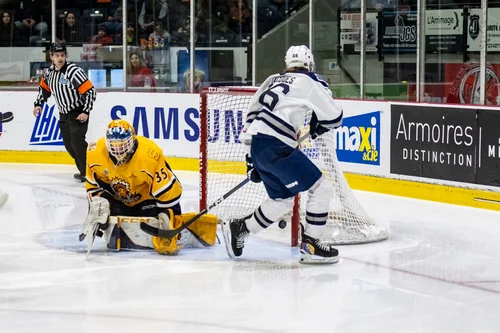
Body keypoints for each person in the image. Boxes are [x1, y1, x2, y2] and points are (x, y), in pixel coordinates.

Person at [221, 45, 343, 264]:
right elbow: (335, 117)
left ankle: (242, 228)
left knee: (282, 200)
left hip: (258, 145)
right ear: (309, 63)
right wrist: (320, 123)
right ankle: (312, 244)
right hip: (278, 146)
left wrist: (251, 161)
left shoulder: (271, 79)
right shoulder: (309, 80)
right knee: (321, 188)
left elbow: (251, 117)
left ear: (287, 64)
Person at [79, 119, 217, 255]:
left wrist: (171, 221)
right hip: (120, 201)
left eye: (122, 145)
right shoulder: (95, 152)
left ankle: (184, 228)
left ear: (132, 141)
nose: (118, 151)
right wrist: (99, 203)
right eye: (114, 146)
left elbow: (168, 194)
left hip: (147, 202)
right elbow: (94, 185)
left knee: (158, 222)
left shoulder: (149, 155)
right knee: (110, 220)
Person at [33, 42, 96, 182]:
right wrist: (38, 104)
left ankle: (90, 172)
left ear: (65, 55)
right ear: (51, 57)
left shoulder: (73, 71)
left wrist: (85, 111)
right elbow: (44, 90)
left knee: (77, 140)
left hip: (78, 111)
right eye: (56, 55)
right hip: (63, 113)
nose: (60, 58)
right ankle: (84, 169)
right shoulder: (49, 73)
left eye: (62, 55)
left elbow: (90, 92)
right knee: (69, 144)